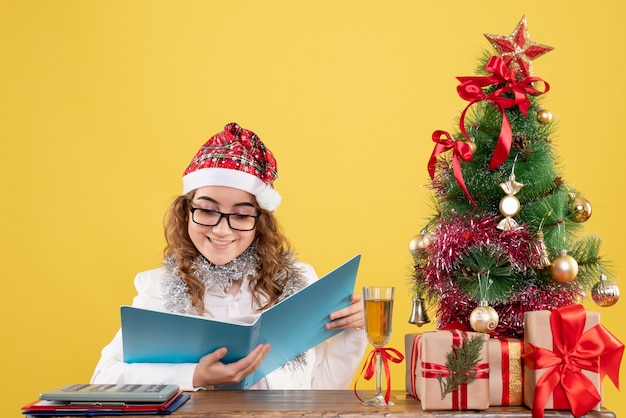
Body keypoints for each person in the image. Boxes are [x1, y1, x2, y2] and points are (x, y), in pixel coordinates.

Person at [91, 122, 368, 390]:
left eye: (241, 214)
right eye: (208, 210)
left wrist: (355, 329)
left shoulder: (296, 283)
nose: (222, 230)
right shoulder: (158, 287)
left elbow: (319, 389)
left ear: (259, 221)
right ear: (186, 211)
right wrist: (195, 375)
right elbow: (104, 378)